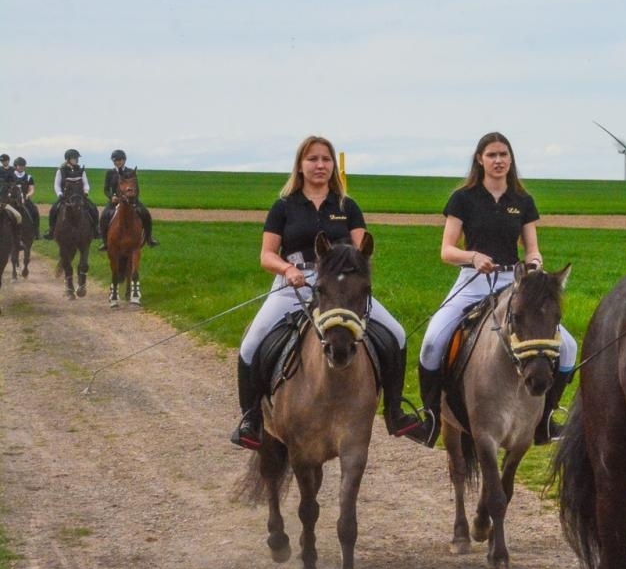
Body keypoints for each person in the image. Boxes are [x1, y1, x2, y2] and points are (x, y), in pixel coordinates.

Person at [229, 135, 430, 450]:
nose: (319, 165)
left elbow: (362, 252)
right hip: (294, 282)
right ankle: (251, 420)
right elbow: (266, 254)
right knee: (252, 342)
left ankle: (394, 411)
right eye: (312, 159)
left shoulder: (347, 206)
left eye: (325, 159)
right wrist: (287, 270)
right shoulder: (284, 206)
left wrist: (353, 278)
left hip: (341, 289)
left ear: (333, 166)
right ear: (300, 165)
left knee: (397, 333)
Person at [415, 132, 578, 447]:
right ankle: (432, 417)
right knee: (433, 341)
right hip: (472, 281)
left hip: (514, 283)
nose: (499, 160)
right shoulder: (462, 198)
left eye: (504, 154)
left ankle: (545, 419)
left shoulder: (523, 201)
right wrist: (472, 257)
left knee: (568, 347)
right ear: (480, 159)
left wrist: (534, 264)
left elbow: (532, 248)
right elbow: (446, 251)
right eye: (492, 155)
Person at [99, 149, 158, 248]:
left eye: (119, 160)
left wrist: (132, 198)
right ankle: (105, 241)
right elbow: (106, 189)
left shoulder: (131, 171)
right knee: (104, 216)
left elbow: (136, 188)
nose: (117, 162)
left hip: (131, 201)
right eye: (115, 160)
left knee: (145, 213)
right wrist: (112, 197)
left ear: (124, 160)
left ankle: (149, 238)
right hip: (115, 201)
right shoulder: (110, 173)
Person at [44, 149, 96, 240]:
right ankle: (51, 230)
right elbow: (57, 185)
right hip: (65, 197)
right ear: (68, 159)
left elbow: (86, 183)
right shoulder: (61, 171)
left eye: (77, 158)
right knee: (53, 209)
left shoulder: (81, 170)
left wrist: (86, 191)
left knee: (93, 208)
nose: (77, 160)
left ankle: (95, 230)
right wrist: (60, 194)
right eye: (74, 158)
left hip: (80, 196)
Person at [12, 157, 39, 236]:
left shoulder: (29, 177)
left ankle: (36, 231)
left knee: (34, 210)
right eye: (19, 165)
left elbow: (32, 189)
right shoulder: (11, 176)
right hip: (13, 199)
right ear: (15, 166)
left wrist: (28, 195)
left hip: (25, 199)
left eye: (23, 165)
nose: (21, 167)